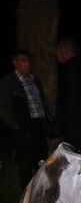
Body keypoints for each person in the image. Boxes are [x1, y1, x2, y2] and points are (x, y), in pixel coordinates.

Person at [0, 49, 50, 189]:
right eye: (23, 61)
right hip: (23, 127)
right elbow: (4, 106)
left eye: (28, 61)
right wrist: (15, 126)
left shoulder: (34, 80)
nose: (27, 64)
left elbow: (41, 102)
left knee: (41, 159)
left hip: (38, 125)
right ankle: (26, 192)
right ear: (15, 63)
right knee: (26, 162)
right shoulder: (9, 82)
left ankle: (42, 190)